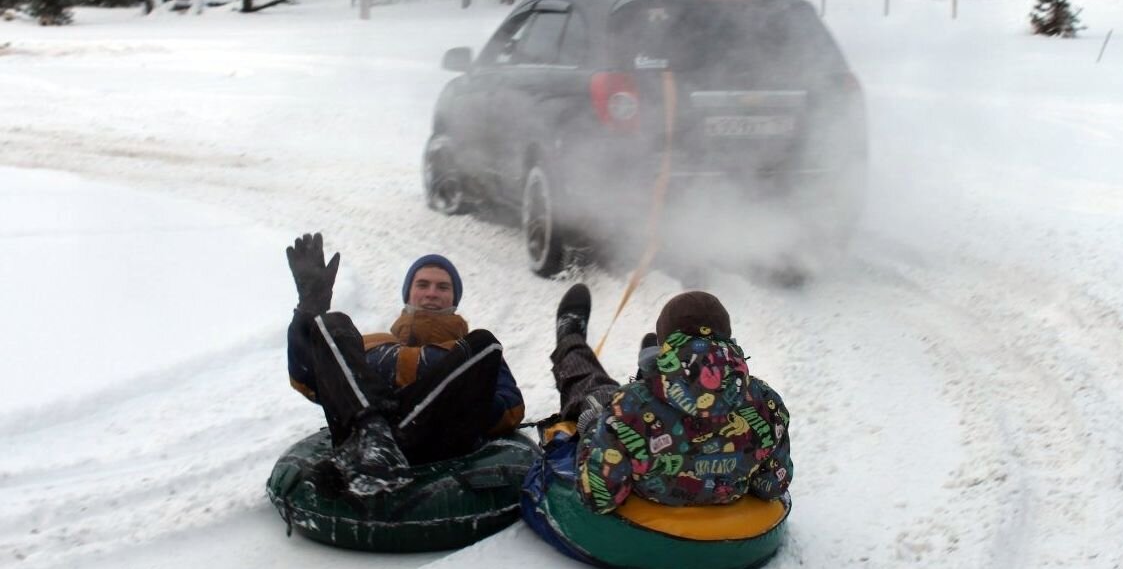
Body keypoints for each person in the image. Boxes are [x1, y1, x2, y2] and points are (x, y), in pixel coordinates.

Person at [285, 232, 524, 493]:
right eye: (422, 285)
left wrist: (454, 396)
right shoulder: (372, 343)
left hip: (433, 441)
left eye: (442, 287)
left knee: (485, 342)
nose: (432, 293)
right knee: (333, 324)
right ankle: (374, 436)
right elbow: (308, 380)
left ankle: (382, 442)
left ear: (454, 300)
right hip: (361, 437)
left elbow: (511, 407)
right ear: (408, 294)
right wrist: (308, 310)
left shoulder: (467, 356)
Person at [548, 283, 791, 513]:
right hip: (728, 522)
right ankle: (655, 372)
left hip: (650, 517)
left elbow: (600, 496)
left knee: (594, 391)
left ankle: (571, 339)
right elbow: (771, 485)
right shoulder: (765, 402)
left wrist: (593, 428)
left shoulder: (628, 405)